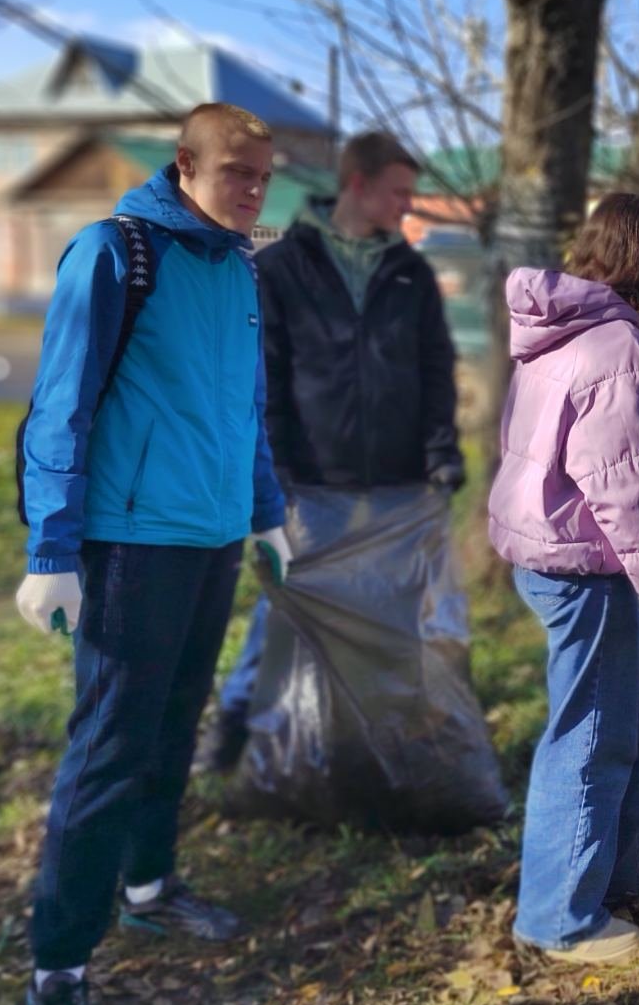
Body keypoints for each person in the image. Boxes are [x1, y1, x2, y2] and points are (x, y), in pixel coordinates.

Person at [14, 103, 293, 1005]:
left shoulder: (238, 269)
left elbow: (244, 407)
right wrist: (51, 549)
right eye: (236, 175)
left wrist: (264, 516)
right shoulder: (116, 253)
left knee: (175, 723)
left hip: (211, 537)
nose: (253, 192)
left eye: (263, 177)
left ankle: (149, 885)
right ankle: (57, 964)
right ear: (185, 166)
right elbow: (60, 404)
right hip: (133, 542)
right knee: (108, 747)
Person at [197, 130, 464, 772]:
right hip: (312, 478)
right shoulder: (284, 268)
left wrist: (441, 450)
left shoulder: (409, 272)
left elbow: (434, 367)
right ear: (358, 185)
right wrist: (277, 472)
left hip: (399, 481)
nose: (407, 205)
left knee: (391, 615)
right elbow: (267, 379)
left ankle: (371, 743)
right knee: (285, 607)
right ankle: (234, 723)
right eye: (398, 192)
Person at [487, 193, 639, 964]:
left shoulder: (559, 329)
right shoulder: (616, 344)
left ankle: (633, 872)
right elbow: (622, 482)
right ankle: (557, 918)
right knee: (592, 734)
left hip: (554, 557)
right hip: (585, 567)